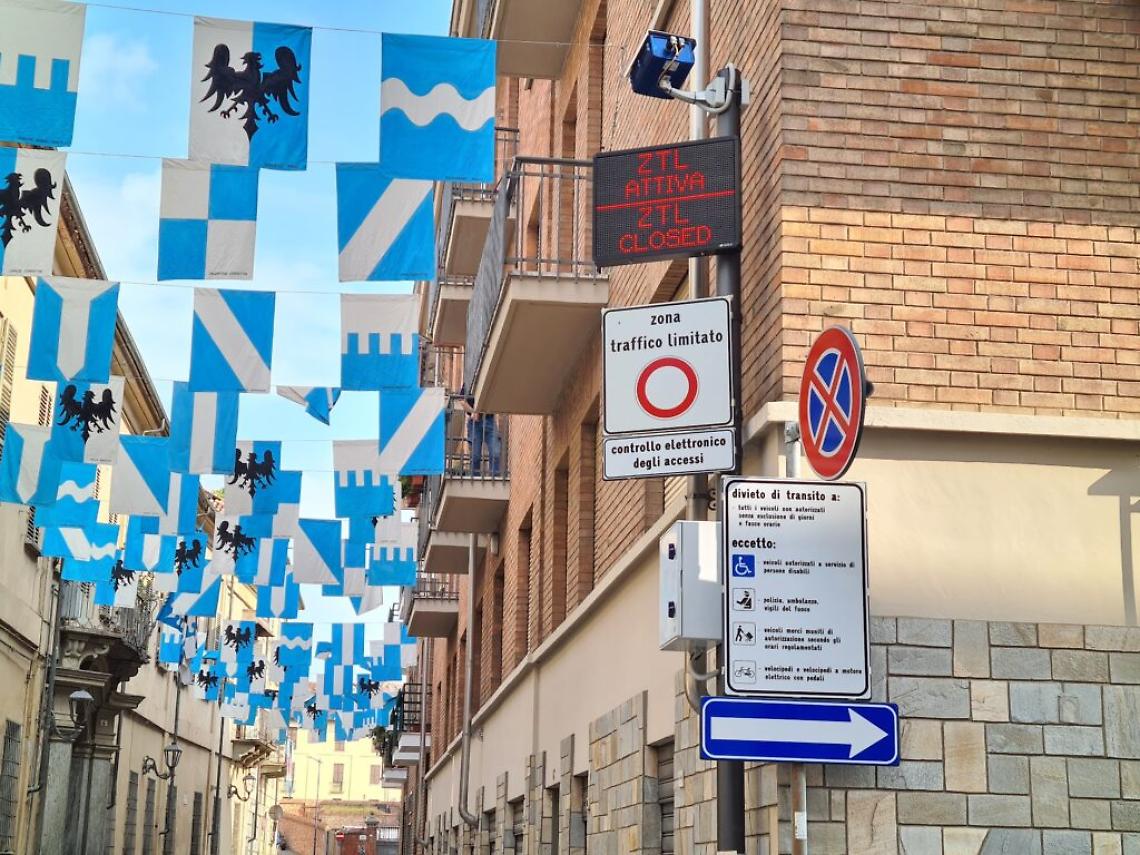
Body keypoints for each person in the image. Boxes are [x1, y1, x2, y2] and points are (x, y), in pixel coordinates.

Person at [460, 386, 501, 477]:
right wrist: (473, 412)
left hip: (489, 419)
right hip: (474, 422)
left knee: (495, 452)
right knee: (475, 455)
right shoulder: (469, 381)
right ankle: (475, 478)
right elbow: (462, 400)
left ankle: (494, 478)